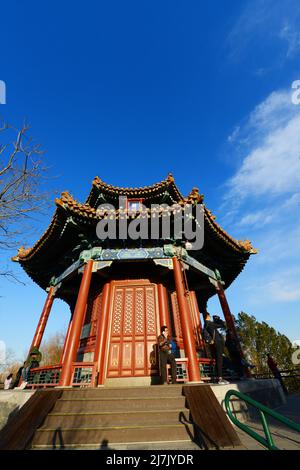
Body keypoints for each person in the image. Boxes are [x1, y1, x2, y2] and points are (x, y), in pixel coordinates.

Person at [203, 313, 229, 385]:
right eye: (210, 316)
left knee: (219, 359)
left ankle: (220, 377)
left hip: (216, 343)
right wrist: (218, 319)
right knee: (219, 360)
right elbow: (222, 325)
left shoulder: (207, 324)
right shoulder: (209, 323)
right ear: (208, 316)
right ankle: (220, 378)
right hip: (217, 343)